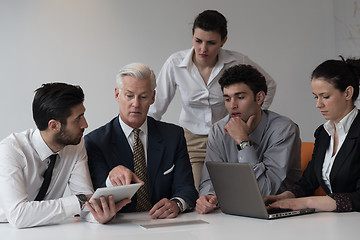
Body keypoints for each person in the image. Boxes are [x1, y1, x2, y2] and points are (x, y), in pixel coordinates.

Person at [148, 10, 277, 190]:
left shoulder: (237, 61)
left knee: (236, 189)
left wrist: (250, 117)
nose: (203, 49)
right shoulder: (175, 63)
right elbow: (156, 107)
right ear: (192, 36)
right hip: (191, 141)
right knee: (197, 192)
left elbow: (268, 86)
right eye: (198, 41)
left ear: (223, 40)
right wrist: (146, 140)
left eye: (211, 43)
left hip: (227, 135)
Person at [0, 83, 129, 229]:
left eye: (83, 115)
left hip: (49, 229)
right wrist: (80, 201)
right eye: (78, 118)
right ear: (54, 126)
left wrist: (99, 214)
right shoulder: (11, 151)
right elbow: (18, 216)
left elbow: (86, 202)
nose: (85, 124)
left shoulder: (75, 145)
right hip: (5, 229)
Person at [85, 63, 198, 219]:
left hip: (164, 224)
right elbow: (94, 198)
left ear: (153, 97)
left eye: (143, 97)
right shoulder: (95, 142)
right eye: (129, 95)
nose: (136, 104)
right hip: (119, 226)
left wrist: (177, 204)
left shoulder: (173, 135)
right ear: (117, 94)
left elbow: (187, 188)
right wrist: (111, 180)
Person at [196, 64, 301, 214]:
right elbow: (209, 179)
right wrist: (210, 197)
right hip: (233, 213)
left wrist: (243, 141)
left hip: (277, 214)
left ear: (259, 98)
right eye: (227, 99)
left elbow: (263, 192)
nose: (232, 105)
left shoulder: (284, 130)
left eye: (240, 97)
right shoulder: (219, 130)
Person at [265, 58, 360, 212]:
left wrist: (307, 202)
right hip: (335, 221)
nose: (318, 104)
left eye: (325, 96)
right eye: (316, 97)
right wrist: (287, 196)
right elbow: (309, 181)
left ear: (348, 93)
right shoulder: (323, 133)